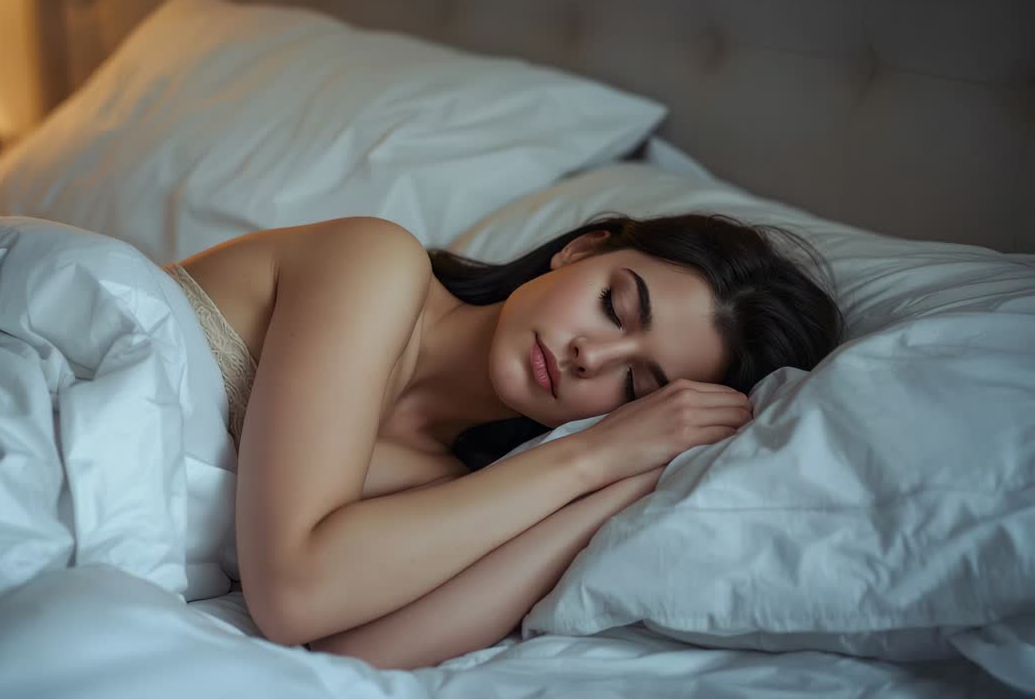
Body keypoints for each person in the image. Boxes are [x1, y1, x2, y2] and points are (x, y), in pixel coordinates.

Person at [162, 211, 842, 669]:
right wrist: (589, 456)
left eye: (635, 386)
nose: (591, 357)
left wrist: (628, 482)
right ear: (583, 249)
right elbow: (293, 597)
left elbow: (356, 649)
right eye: (614, 306)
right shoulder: (376, 261)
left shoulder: (447, 485)